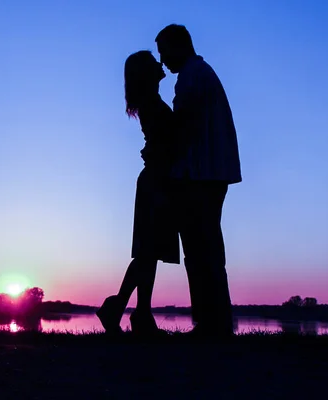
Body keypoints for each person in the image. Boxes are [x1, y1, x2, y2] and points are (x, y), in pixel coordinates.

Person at [156, 24, 242, 337]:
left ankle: (211, 323)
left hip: (201, 174)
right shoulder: (201, 73)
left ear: (179, 46)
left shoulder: (191, 77)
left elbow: (181, 127)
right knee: (206, 248)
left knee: (200, 249)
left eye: (165, 52)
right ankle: (214, 321)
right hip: (210, 172)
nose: (163, 61)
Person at [96, 50, 181, 336]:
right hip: (156, 181)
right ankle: (122, 308)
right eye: (153, 62)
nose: (161, 64)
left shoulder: (152, 102)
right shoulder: (151, 103)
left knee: (150, 253)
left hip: (158, 180)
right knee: (148, 253)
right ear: (146, 72)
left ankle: (139, 312)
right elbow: (164, 143)